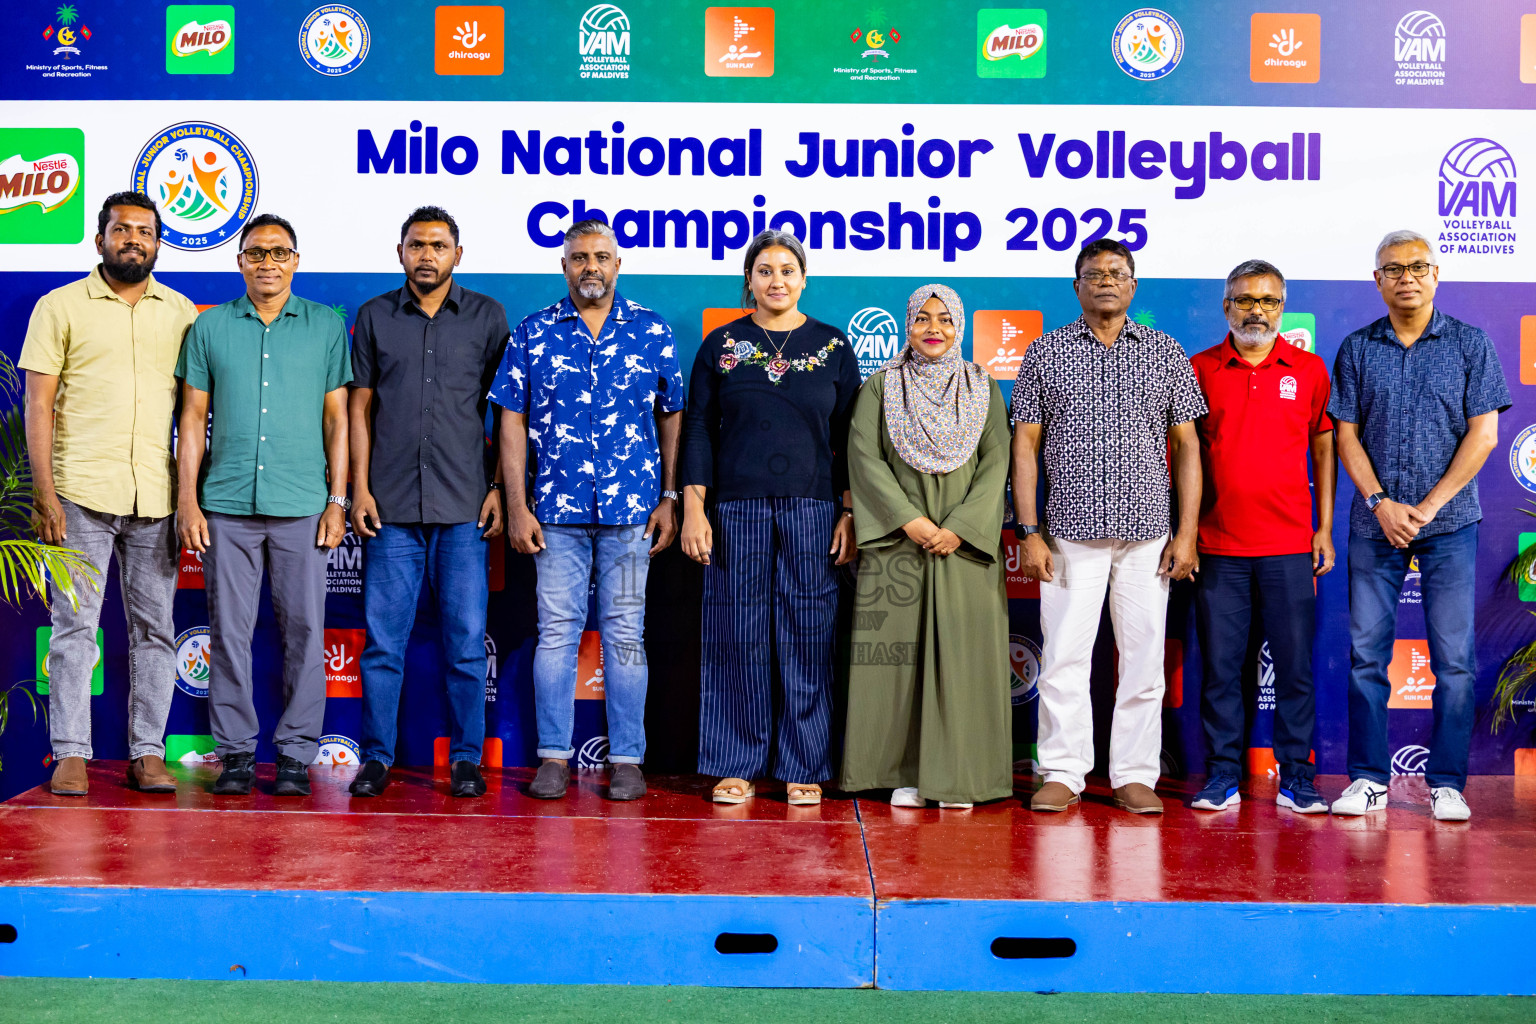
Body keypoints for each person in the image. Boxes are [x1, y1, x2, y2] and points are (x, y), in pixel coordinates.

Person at [1011, 238, 1206, 815]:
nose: (1105, 281)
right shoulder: (1046, 353)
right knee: (1066, 658)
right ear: (1076, 287)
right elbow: (1025, 445)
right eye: (1093, 274)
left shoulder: (1165, 353)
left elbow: (1188, 447)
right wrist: (1028, 530)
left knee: (1143, 660)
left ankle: (1135, 774)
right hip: (1069, 534)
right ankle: (1064, 772)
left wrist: (1187, 532)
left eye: (1117, 273)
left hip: (1149, 535)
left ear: (1133, 286)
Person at [491, 220, 683, 802]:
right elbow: (510, 419)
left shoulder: (651, 331)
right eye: (579, 258)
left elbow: (672, 415)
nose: (590, 267)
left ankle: (627, 758)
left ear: (618, 265)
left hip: (630, 514)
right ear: (564, 266)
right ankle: (553, 757)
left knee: (625, 636)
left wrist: (671, 497)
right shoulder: (532, 332)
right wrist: (517, 504)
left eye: (601, 257)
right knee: (556, 636)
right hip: (555, 516)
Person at [20, 192, 198, 796]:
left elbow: (195, 413)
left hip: (158, 498)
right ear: (99, 239)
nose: (133, 240)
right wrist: (44, 493)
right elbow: (38, 403)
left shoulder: (180, 314)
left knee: (156, 631)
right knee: (74, 628)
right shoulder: (59, 306)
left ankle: (148, 751)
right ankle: (70, 751)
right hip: (78, 493)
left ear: (158, 242)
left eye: (145, 232)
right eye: (121, 230)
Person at [1329, 230, 1509, 822]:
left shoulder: (1470, 345)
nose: (1406, 276)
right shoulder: (1357, 348)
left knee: (1454, 659)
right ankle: (1366, 780)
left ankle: (1448, 783)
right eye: (1393, 268)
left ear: (1436, 275)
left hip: (1451, 523)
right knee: (1365, 657)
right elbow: (1345, 435)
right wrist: (1381, 502)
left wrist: (1428, 508)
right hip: (1374, 522)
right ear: (1376, 280)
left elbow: (1484, 435)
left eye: (1417, 266)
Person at [680, 229, 861, 806]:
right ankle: (736, 761)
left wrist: (850, 512)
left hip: (813, 508)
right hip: (735, 508)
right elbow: (700, 429)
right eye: (765, 270)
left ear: (803, 279)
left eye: (787, 270)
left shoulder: (832, 346)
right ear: (749, 282)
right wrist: (693, 507)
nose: (776, 280)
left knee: (808, 635)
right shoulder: (721, 345)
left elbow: (851, 441)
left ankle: (804, 762)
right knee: (738, 635)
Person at [176, 213, 352, 798]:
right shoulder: (210, 328)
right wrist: (188, 501)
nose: (268, 263)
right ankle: (236, 755)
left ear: (296, 260)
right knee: (228, 632)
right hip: (225, 503)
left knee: (305, 630)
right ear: (240, 262)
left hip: (303, 502)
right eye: (256, 253)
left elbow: (337, 420)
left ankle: (298, 755)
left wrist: (337, 500)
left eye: (279, 253)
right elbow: (192, 419)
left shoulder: (326, 327)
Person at [346, 206, 509, 800]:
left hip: (465, 507)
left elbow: (506, 415)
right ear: (400, 253)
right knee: (383, 644)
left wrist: (497, 488)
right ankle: (376, 759)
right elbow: (359, 410)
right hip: (389, 509)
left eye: (438, 246)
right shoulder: (374, 317)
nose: (427, 256)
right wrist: (358, 489)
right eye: (416, 245)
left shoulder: (488, 318)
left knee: (467, 643)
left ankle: (467, 758)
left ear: (457, 256)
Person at [841, 285, 1012, 809]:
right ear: (907, 326)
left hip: (963, 546)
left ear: (959, 328)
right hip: (898, 544)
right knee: (892, 661)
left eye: (944, 320)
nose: (932, 328)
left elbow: (997, 462)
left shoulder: (983, 387)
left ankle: (960, 777)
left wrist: (960, 526)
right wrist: (909, 521)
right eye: (921, 319)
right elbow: (863, 458)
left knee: (964, 658)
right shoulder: (881, 387)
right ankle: (899, 772)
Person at [1188, 260, 1334, 815]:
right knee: (1222, 671)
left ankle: (1298, 776)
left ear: (1282, 307)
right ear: (1226, 307)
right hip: (1218, 546)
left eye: (1269, 301)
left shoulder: (1310, 369)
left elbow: (1323, 449)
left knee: (1295, 669)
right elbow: (1184, 456)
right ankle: (1222, 775)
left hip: (1290, 547)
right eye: (1245, 300)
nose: (1257, 310)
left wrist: (1321, 528)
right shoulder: (1199, 368)